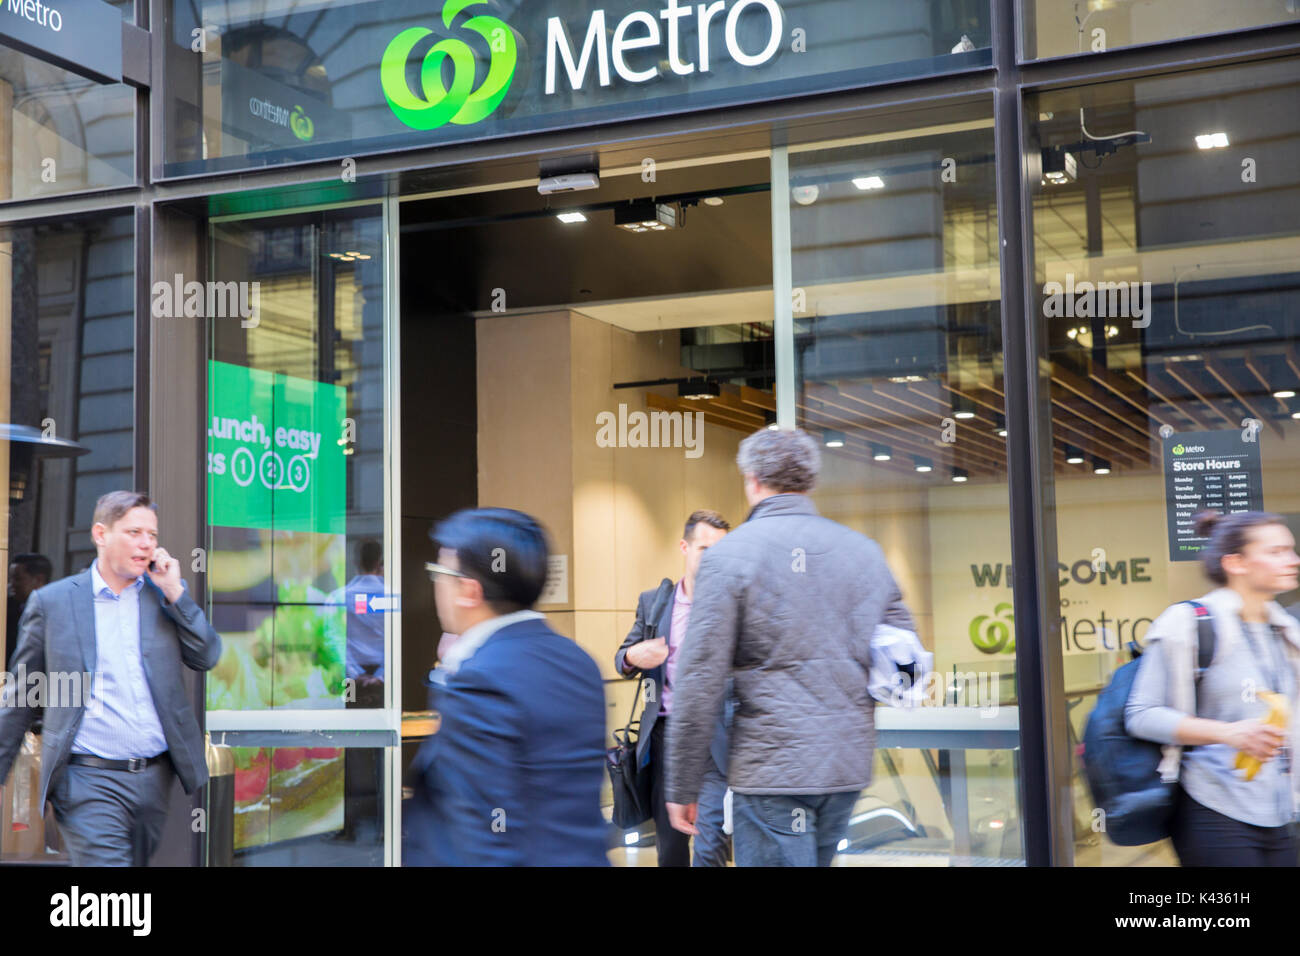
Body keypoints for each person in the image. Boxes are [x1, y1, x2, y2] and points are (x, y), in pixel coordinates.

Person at [664, 427, 917, 866]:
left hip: (771, 773)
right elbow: (906, 662)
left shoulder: (728, 558)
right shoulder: (864, 553)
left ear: (753, 480)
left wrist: (682, 784)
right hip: (844, 770)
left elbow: (698, 679)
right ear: (810, 483)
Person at [0, 491, 222, 866]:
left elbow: (207, 655)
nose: (146, 542)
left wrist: (175, 592)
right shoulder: (53, 603)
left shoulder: (163, 599)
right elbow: (21, 696)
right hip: (86, 779)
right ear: (100, 534)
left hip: (154, 777)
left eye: (152, 534)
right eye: (134, 532)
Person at [403, 508, 607, 865]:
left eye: (439, 573)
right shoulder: (579, 662)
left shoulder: (480, 681)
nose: (435, 584)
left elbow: (484, 839)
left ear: (468, 591)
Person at [1126, 510, 1300, 866]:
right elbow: (1141, 714)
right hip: (1213, 807)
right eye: (1277, 551)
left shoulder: (1285, 631)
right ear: (1236, 562)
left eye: (1291, 550)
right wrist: (1230, 733)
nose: (1293, 560)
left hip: (1281, 810)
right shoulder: (1189, 622)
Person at [615, 509, 732, 867]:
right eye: (703, 548)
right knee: (671, 847)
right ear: (684, 547)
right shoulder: (655, 603)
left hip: (718, 736)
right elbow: (621, 659)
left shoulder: (732, 605)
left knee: (711, 842)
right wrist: (637, 654)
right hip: (667, 737)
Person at [5, 553, 51, 672]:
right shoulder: (6, 609)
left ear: (39, 579)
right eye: (10, 579)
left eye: (18, 579)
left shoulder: (55, 613)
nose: (12, 584)